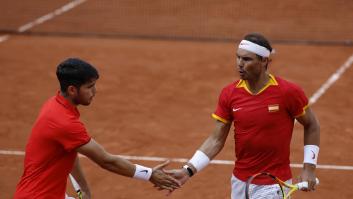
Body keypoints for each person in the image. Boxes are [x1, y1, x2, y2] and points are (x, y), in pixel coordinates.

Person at [166, 33, 320, 198]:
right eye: (238, 58)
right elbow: (216, 140)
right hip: (240, 181)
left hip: (274, 183)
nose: (239, 64)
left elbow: (312, 124)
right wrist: (187, 171)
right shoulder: (230, 94)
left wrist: (309, 168)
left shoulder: (288, 92)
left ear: (264, 61)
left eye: (246, 59)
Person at [14, 58, 181, 199]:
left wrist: (84, 191)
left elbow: (70, 151)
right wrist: (149, 174)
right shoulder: (65, 123)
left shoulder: (55, 105)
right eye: (89, 86)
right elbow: (106, 160)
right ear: (72, 90)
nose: (95, 91)